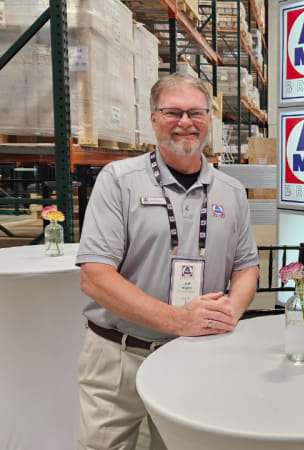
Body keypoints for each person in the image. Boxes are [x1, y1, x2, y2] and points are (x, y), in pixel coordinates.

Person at [76, 73, 259, 450]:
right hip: (120, 355)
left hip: (195, 357)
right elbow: (95, 277)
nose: (185, 122)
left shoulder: (232, 192)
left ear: (210, 120)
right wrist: (177, 319)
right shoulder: (119, 181)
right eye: (173, 112)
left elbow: (246, 267)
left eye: (196, 112)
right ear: (154, 118)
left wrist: (229, 312)